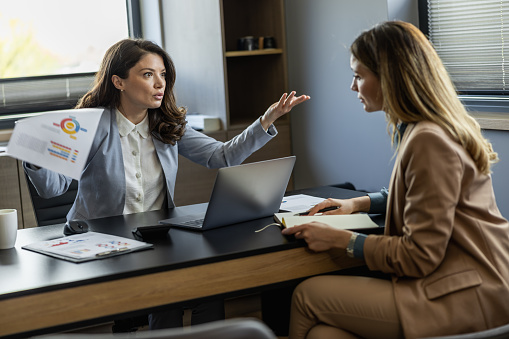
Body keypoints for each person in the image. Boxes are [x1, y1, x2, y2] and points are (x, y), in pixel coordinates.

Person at [24, 38, 310, 330]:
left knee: (207, 287)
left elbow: (221, 156)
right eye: (148, 74)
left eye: (163, 75)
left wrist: (267, 119)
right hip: (100, 239)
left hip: (154, 237)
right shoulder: (91, 126)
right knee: (165, 293)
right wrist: (35, 157)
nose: (160, 83)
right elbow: (52, 188)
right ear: (118, 81)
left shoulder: (167, 124)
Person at [282, 21, 509, 339]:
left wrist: (340, 240)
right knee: (324, 335)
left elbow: (419, 256)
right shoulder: (431, 127)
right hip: (474, 281)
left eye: (359, 76)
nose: (352, 87)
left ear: (389, 78)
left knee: (306, 296)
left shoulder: (428, 140)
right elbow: (425, 196)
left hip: (467, 293)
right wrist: (357, 202)